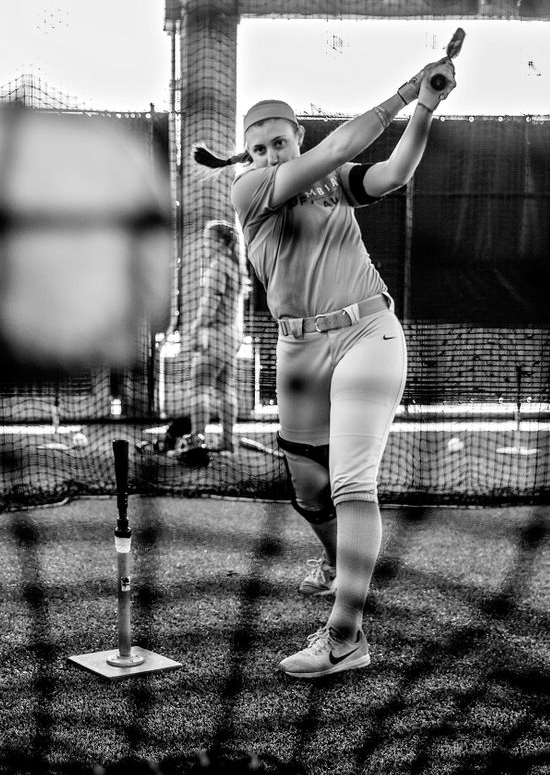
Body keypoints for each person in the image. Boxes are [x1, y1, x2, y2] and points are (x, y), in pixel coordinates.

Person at [196, 58, 457, 678]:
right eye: (256, 148)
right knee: (308, 486)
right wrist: (403, 88)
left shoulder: (330, 177)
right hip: (298, 350)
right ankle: (340, 566)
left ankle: (345, 634)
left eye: (279, 143)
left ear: (297, 139)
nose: (268, 155)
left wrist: (423, 108)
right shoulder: (247, 190)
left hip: (367, 329)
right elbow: (343, 141)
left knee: (350, 483)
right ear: (247, 157)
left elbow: (391, 172)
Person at [178, 220, 244, 459]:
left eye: (208, 239)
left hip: (215, 334)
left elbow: (210, 303)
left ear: (219, 242)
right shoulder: (236, 266)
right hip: (231, 335)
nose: (205, 244)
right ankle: (228, 443)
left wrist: (196, 328)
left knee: (199, 387)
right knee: (225, 387)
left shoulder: (218, 266)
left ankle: (197, 444)